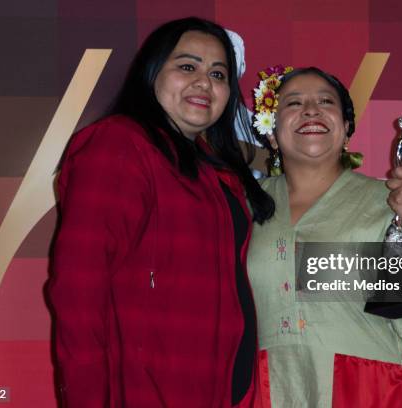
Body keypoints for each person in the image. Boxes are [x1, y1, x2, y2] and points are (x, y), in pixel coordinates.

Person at [47, 17, 275, 407]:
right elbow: (78, 291)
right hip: (145, 392)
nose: (204, 82)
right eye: (187, 67)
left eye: (218, 74)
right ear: (151, 73)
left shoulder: (213, 169)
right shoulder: (119, 143)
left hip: (218, 391)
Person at [247, 66, 402, 407]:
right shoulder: (240, 206)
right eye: (293, 103)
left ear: (345, 130)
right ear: (271, 132)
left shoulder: (390, 203)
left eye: (325, 102)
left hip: (369, 391)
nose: (310, 110)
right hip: (267, 390)